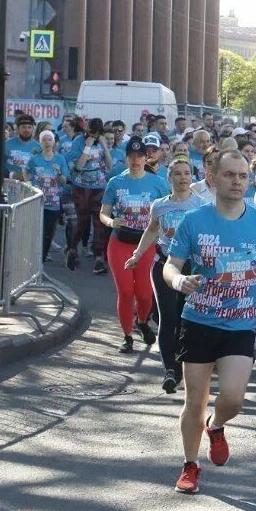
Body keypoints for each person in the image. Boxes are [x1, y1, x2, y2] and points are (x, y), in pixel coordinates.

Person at [163, 150, 256, 495]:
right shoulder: (194, 221)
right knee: (195, 401)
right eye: (230, 175)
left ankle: (217, 426)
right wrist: (178, 281)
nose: (237, 181)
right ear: (212, 179)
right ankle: (190, 465)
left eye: (243, 176)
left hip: (240, 325)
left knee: (232, 397)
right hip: (198, 321)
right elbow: (170, 264)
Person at [125, 156, 208, 393]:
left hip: (192, 268)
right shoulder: (159, 205)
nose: (182, 178)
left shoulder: (202, 206)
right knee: (168, 317)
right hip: (163, 265)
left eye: (186, 173)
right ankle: (169, 369)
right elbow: (152, 230)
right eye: (177, 173)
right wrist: (137, 255)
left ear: (191, 178)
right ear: (169, 178)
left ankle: (183, 362)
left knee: (186, 319)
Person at [100, 137, 169, 353]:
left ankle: (142, 321)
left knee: (145, 294)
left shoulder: (158, 183)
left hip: (146, 243)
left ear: (145, 158)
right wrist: (112, 221)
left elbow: (168, 211)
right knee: (126, 292)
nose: (135, 160)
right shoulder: (116, 182)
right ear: (126, 158)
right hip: (120, 242)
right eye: (131, 156)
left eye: (140, 156)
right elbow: (103, 213)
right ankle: (127, 335)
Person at [67, 117, 114, 274]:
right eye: (91, 133)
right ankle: (72, 248)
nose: (93, 137)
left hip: (99, 186)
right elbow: (79, 166)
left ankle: (98, 258)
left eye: (96, 134)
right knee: (83, 222)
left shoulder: (101, 142)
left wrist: (104, 147)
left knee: (99, 223)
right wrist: (87, 147)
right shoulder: (79, 142)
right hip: (81, 186)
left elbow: (109, 165)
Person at [25, 130, 71, 263]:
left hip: (53, 202)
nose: (47, 142)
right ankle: (31, 260)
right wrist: (28, 184)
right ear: (40, 142)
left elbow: (64, 180)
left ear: (54, 142)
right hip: (37, 201)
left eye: (49, 140)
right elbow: (26, 171)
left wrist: (59, 174)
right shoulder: (35, 159)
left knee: (47, 234)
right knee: (34, 232)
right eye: (44, 140)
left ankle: (41, 262)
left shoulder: (60, 159)